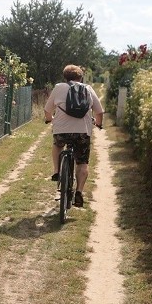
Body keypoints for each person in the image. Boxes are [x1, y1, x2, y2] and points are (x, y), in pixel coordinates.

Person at [43, 64, 104, 208]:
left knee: (58, 145)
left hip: (61, 130)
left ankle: (57, 171)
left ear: (65, 77)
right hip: (82, 131)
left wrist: (49, 119)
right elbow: (99, 112)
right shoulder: (88, 89)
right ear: (80, 77)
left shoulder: (59, 87)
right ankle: (79, 192)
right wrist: (99, 124)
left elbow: (47, 109)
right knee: (82, 163)